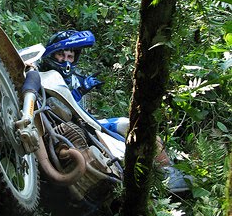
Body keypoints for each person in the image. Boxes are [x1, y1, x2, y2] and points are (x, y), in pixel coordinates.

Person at [38, 29, 192, 194]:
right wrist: (79, 91)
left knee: (132, 126)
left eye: (70, 56)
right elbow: (61, 108)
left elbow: (78, 108)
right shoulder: (42, 75)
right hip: (77, 126)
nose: (66, 60)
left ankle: (168, 172)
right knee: (110, 143)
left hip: (91, 121)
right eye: (61, 55)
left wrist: (81, 89)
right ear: (52, 53)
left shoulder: (74, 78)